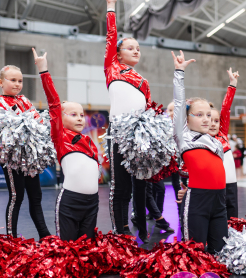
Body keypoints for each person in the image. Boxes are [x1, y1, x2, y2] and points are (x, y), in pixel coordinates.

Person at [35, 48, 100, 241]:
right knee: (67, 251)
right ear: (60, 118)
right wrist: (43, 70)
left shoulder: (89, 142)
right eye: (73, 114)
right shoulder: (60, 136)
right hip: (71, 202)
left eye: (81, 115)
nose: (80, 118)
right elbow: (54, 103)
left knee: (86, 251)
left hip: (93, 202)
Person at [171, 50, 227, 254]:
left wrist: (187, 184)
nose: (206, 120)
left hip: (219, 201)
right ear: (186, 118)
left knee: (220, 251)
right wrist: (179, 72)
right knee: (195, 250)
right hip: (197, 201)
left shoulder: (216, 143)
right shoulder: (183, 135)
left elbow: (212, 171)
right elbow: (179, 103)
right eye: (199, 115)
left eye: (209, 116)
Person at [104, 0, 149, 242]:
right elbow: (111, 37)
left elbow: (148, 109)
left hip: (140, 135)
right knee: (120, 185)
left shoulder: (144, 81)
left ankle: (141, 226)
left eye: (138, 48)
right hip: (119, 132)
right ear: (118, 53)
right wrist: (111, 8)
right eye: (130, 48)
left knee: (140, 184)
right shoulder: (112, 68)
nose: (135, 51)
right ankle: (120, 230)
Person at [0, 63, 51, 239]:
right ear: (0, 82)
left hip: (29, 157)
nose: (17, 84)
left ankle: (45, 234)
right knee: (16, 197)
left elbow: (37, 120)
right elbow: (18, 121)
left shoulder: (25, 100)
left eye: (20, 81)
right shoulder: (0, 100)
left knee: (36, 196)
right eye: (13, 80)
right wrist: (32, 120)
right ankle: (11, 237)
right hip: (12, 157)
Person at [207, 68, 239, 219]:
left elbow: (226, 108)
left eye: (216, 121)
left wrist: (232, 84)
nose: (213, 124)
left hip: (231, 185)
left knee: (233, 217)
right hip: (214, 187)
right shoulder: (202, 140)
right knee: (218, 218)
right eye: (209, 121)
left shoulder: (223, 135)